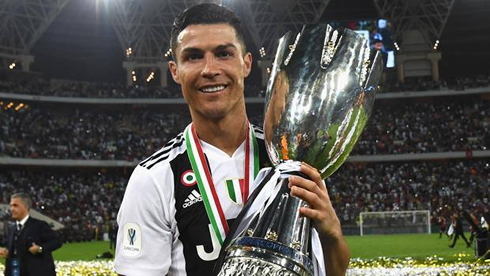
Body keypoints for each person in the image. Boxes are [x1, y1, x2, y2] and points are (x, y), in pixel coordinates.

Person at [115, 3, 350, 276]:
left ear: (246, 63)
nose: (210, 69)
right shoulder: (154, 178)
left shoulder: (289, 161)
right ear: (175, 71)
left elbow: (332, 271)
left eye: (223, 53)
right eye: (193, 57)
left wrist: (332, 235)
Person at [0, 193, 62, 276]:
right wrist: (6, 251)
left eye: (15, 206)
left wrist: (40, 248)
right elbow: (13, 249)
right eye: (11, 206)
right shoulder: (11, 229)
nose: (11, 209)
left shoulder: (39, 225)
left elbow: (57, 241)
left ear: (25, 207)